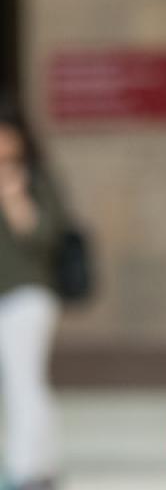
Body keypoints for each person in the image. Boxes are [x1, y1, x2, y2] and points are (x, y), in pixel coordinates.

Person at [0, 98, 64, 490]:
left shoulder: (35, 180)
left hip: (28, 296)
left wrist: (14, 198)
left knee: (26, 382)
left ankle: (32, 470)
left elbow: (45, 238)